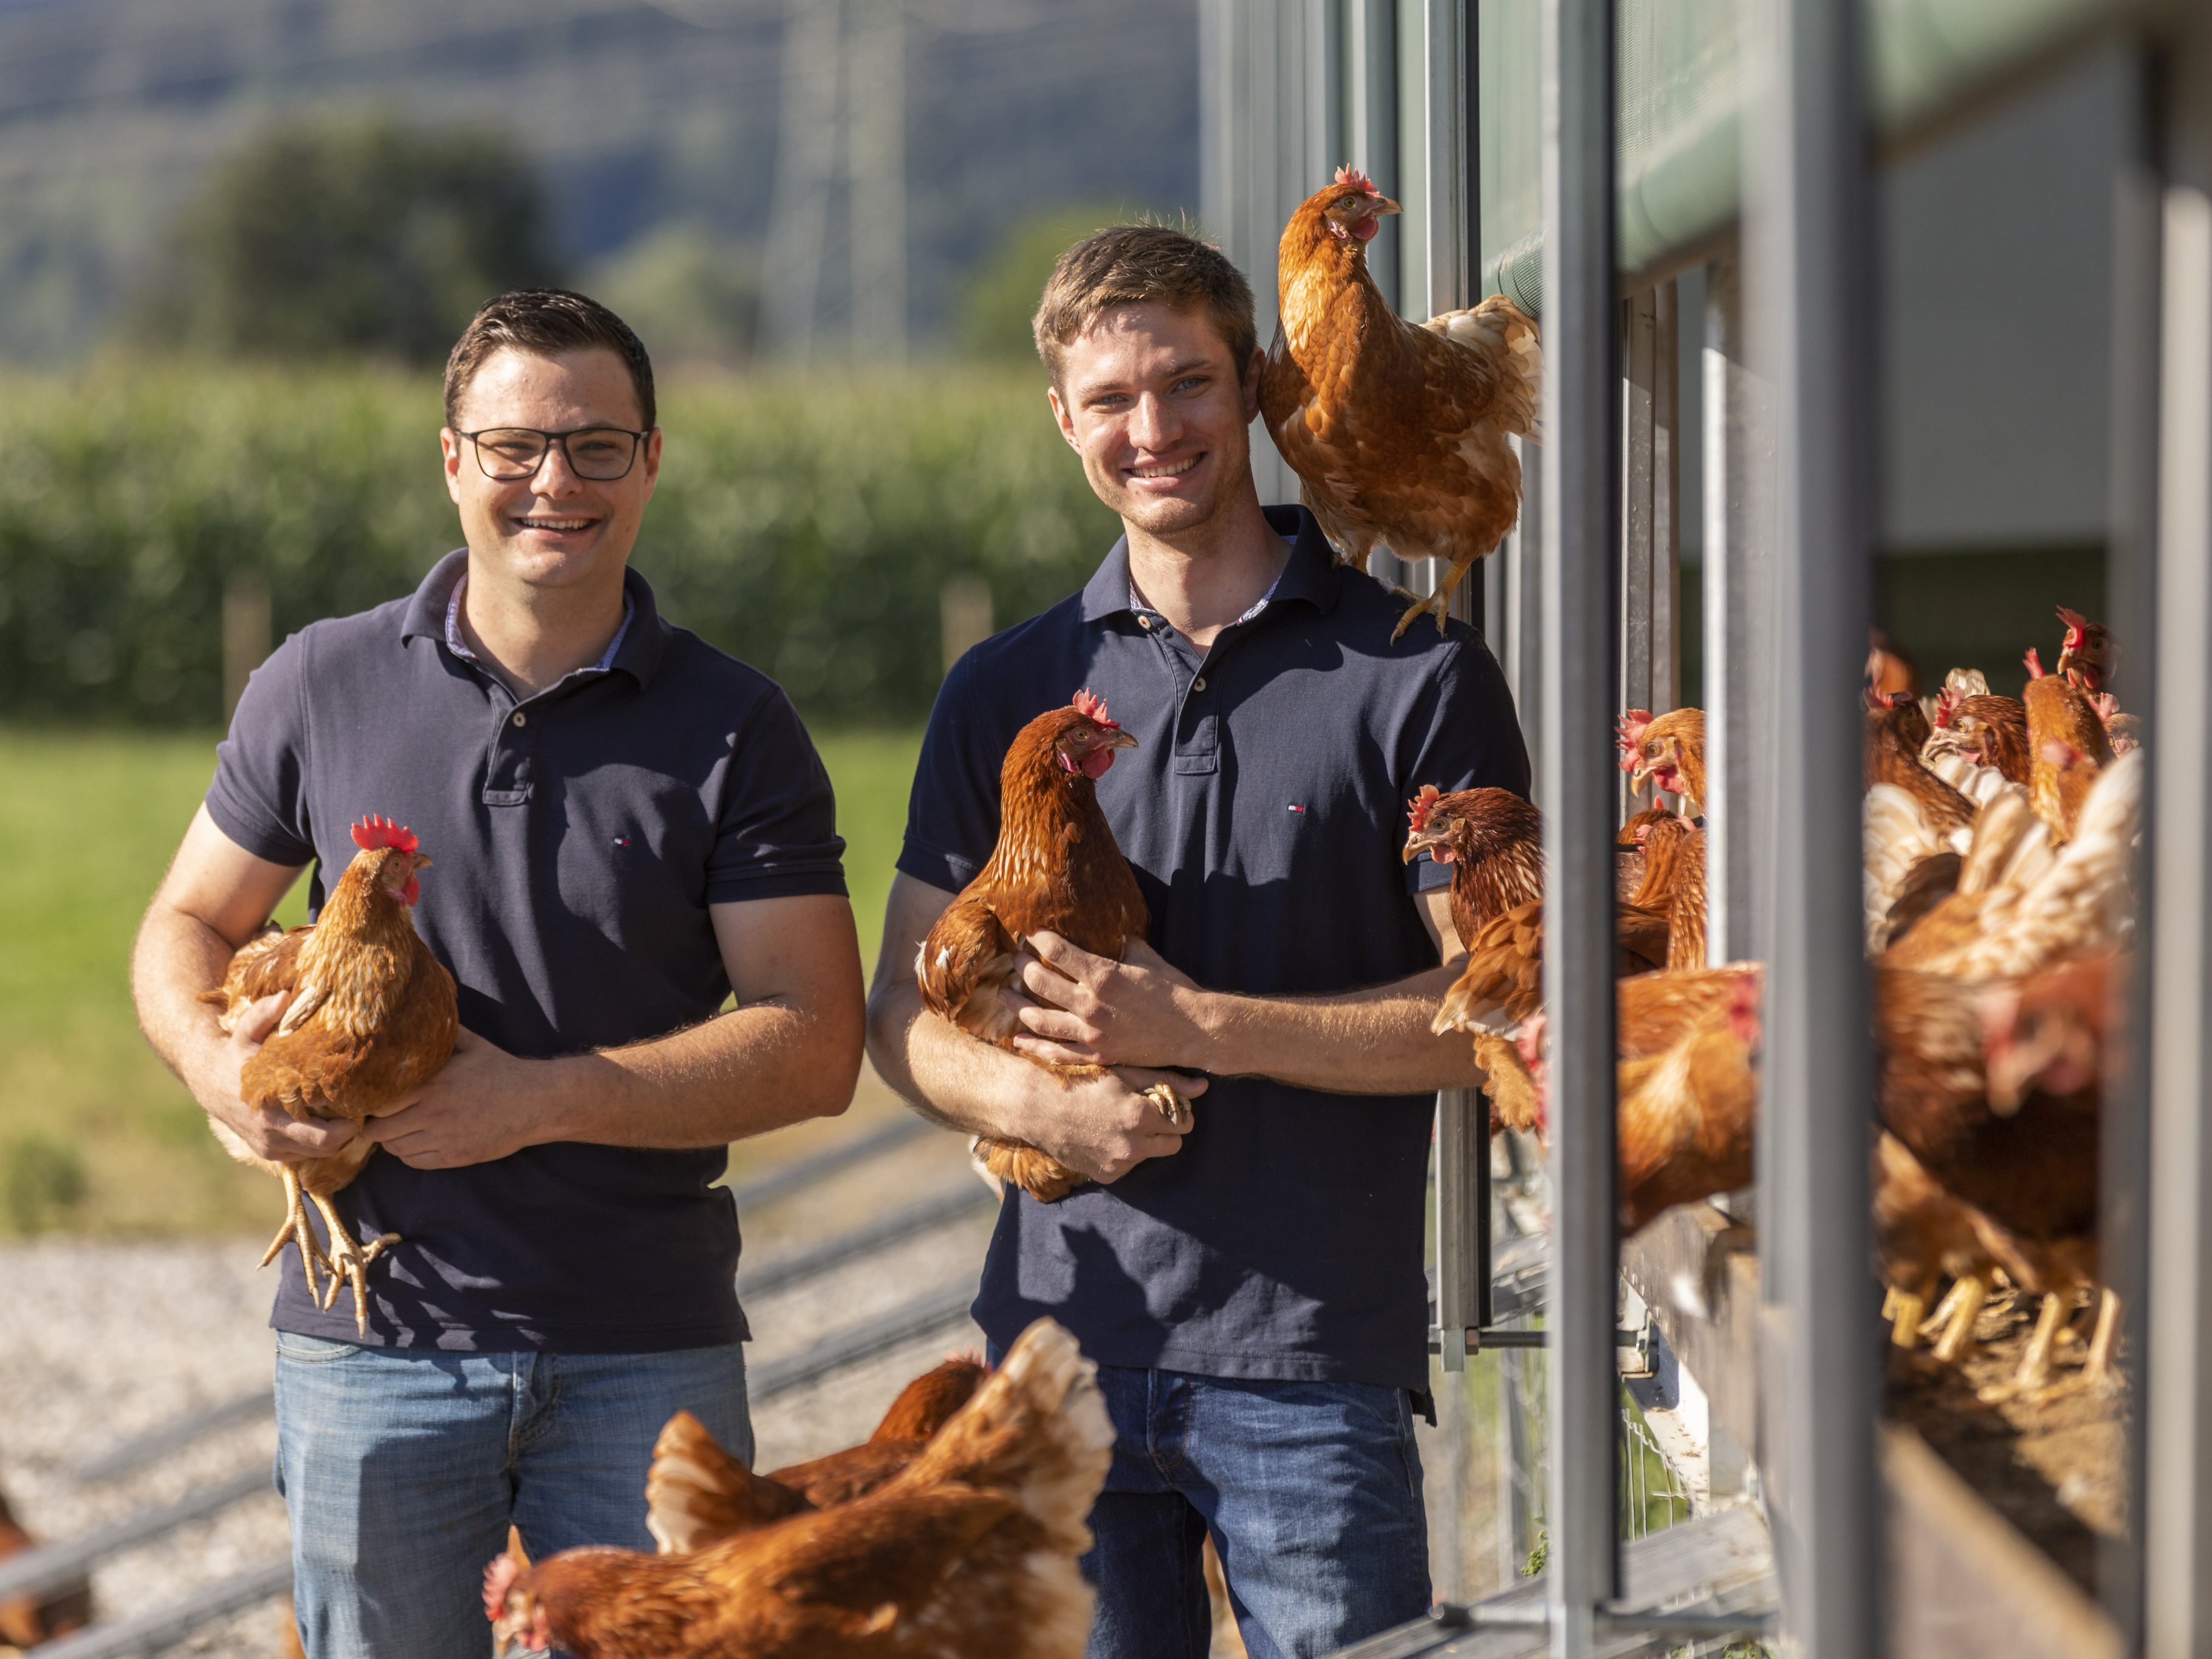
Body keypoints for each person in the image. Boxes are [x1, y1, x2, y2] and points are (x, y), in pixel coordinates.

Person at [131, 289, 866, 1659]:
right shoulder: (319, 683)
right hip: (374, 1342)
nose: (555, 483)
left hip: (642, 1336)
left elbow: (817, 1040)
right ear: (454, 458)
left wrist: (538, 1097)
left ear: (651, 460)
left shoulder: (736, 726)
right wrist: (219, 1067)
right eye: (516, 444)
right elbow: (185, 922)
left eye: (597, 446)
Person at [865, 227, 1531, 1659]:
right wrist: (1050, 1107)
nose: (1151, 430)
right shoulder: (1008, 688)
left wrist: (1198, 1026)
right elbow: (898, 1020)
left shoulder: (1413, 671)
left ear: (1256, 388)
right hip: (1058, 1351)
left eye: (1187, 385)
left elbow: (1499, 1016)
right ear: (1062, 417)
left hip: (1308, 1355)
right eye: (1109, 400)